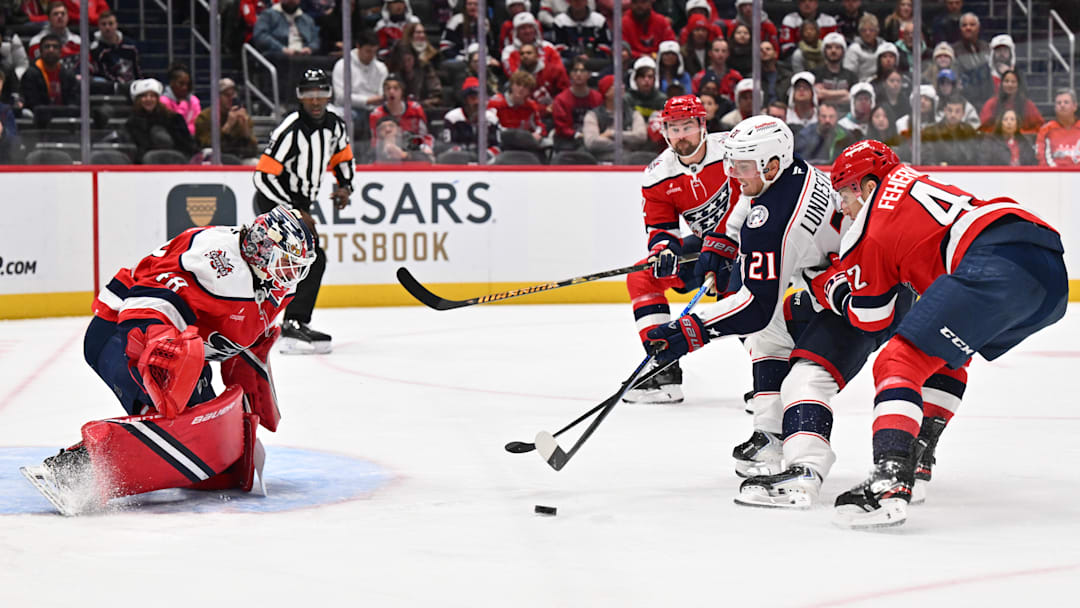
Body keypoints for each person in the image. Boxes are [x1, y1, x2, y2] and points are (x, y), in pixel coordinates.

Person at [828, 139, 1066, 528]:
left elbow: (871, 318)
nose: (844, 208)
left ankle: (889, 479)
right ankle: (917, 458)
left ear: (867, 186)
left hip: (996, 259)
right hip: (1046, 267)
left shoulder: (870, 225)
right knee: (946, 354)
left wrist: (835, 290)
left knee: (896, 360)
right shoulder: (911, 182)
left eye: (845, 194)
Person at [24, 206, 316, 515]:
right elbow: (150, 297)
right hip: (125, 334)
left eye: (295, 265)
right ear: (262, 248)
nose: (291, 273)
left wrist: (251, 398)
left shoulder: (275, 282)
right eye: (286, 261)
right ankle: (74, 470)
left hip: (184, 347)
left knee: (214, 456)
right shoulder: (213, 261)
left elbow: (246, 338)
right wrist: (160, 345)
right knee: (186, 432)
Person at [643, 115, 850, 479]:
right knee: (768, 333)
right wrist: (722, 240)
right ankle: (769, 435)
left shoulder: (774, 225)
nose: (733, 174)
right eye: (731, 163)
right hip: (830, 277)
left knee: (787, 352)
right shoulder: (790, 170)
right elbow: (745, 195)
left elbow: (754, 306)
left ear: (771, 164)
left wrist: (690, 330)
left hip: (852, 295)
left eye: (741, 166)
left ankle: (803, 460)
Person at [623, 95, 742, 403]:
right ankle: (663, 369)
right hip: (708, 246)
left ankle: (774, 379)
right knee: (642, 277)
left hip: (753, 239)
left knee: (739, 294)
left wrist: (724, 246)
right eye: (673, 129)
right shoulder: (658, 174)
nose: (680, 136)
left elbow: (750, 200)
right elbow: (661, 226)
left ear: (703, 125)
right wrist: (663, 250)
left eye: (687, 126)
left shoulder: (733, 150)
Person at [253, 69, 355, 354]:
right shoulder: (291, 128)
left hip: (300, 206)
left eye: (321, 93)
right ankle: (292, 326)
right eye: (308, 94)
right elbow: (263, 177)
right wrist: (294, 210)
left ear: (329, 95)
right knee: (312, 259)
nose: (315, 100)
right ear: (299, 96)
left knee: (297, 262)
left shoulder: (335, 125)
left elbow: (343, 158)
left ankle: (277, 324)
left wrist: (345, 186)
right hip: (276, 203)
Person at [125, 78, 197, 162]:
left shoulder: (174, 119)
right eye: (144, 96)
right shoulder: (132, 123)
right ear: (138, 100)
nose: (149, 99)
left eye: (152, 96)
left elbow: (188, 146)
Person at [368, 72, 433, 158]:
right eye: (388, 88)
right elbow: (374, 141)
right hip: (386, 151)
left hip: (413, 148)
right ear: (384, 92)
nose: (391, 91)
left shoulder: (415, 109)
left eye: (396, 88)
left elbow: (424, 136)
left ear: (402, 91)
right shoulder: (376, 114)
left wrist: (424, 148)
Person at [583, 74, 647, 160]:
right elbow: (591, 141)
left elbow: (641, 136)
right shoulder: (592, 115)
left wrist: (612, 134)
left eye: (622, 84)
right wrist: (625, 142)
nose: (622, 87)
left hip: (629, 161)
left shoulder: (633, 114)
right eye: (616, 85)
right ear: (606, 92)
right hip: (599, 162)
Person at [332, 29, 387, 130]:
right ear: (358, 47)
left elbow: (382, 96)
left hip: (374, 110)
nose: (371, 55)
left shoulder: (381, 68)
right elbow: (341, 97)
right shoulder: (342, 65)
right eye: (368, 51)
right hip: (348, 110)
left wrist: (373, 102)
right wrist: (367, 100)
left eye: (374, 52)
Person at [194, 78, 259, 161]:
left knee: (254, 162)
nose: (231, 98)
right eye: (227, 95)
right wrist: (227, 126)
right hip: (213, 161)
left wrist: (245, 130)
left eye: (233, 95)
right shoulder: (204, 117)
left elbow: (253, 151)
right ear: (217, 97)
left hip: (237, 157)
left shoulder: (241, 116)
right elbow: (206, 146)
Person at [20, 33, 78, 112]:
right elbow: (32, 103)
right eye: (47, 47)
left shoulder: (68, 74)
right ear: (40, 51)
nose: (51, 50)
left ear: (61, 52)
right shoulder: (31, 74)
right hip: (39, 118)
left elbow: (73, 100)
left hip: (64, 116)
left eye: (55, 47)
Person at [552, 59, 602, 150]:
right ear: (570, 74)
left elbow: (602, 119)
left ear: (589, 74)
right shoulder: (561, 99)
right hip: (568, 140)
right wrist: (576, 134)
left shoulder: (597, 97)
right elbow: (561, 127)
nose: (578, 74)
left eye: (582, 71)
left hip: (593, 137)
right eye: (575, 71)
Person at [440, 77, 497, 157]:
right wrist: (465, 155)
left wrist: (486, 155)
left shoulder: (491, 119)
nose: (477, 102)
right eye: (473, 98)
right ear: (465, 100)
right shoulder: (452, 118)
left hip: (485, 164)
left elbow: (497, 147)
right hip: (460, 162)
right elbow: (447, 146)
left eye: (480, 98)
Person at [89, 10, 142, 91]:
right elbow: (102, 73)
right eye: (104, 24)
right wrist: (119, 85)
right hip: (110, 86)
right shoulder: (96, 49)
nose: (107, 27)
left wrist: (140, 83)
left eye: (110, 24)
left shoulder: (131, 46)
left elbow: (137, 69)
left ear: (116, 25)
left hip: (132, 83)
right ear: (99, 26)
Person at [978, 70, 1042, 134]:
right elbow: (983, 128)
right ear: (1001, 84)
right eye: (1006, 81)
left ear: (1018, 85)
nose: (1010, 84)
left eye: (1013, 82)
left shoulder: (1027, 104)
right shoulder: (991, 104)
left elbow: (1040, 128)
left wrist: (1020, 134)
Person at [951, 13, 993, 107]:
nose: (968, 28)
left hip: (986, 99)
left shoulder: (986, 48)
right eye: (964, 25)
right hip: (965, 101)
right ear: (960, 29)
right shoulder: (954, 50)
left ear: (978, 28)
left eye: (972, 25)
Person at [552, 0, 612, 64]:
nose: (578, 2)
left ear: (587, 1)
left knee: (607, 63)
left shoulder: (599, 20)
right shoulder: (560, 21)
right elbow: (559, 47)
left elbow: (605, 46)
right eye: (575, 1)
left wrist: (590, 57)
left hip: (594, 60)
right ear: (569, 2)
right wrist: (575, 56)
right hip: (569, 60)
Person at [28, 2, 82, 72]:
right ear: (49, 18)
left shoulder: (78, 41)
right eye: (55, 14)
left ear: (68, 17)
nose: (60, 16)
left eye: (63, 13)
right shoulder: (36, 42)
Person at [1036, 88, 1080, 167]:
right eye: (1059, 103)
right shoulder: (1046, 130)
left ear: (1075, 106)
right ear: (1055, 107)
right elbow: (1041, 158)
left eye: (1066, 102)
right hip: (1053, 175)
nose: (1062, 105)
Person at [813, 32, 856, 107]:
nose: (833, 51)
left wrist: (825, 94)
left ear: (843, 51)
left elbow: (853, 98)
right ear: (824, 51)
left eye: (837, 47)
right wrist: (844, 93)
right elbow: (815, 97)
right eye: (829, 47)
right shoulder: (815, 73)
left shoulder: (851, 76)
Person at [159, 63, 201, 136]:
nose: (185, 87)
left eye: (187, 84)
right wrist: (183, 106)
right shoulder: (163, 101)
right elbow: (175, 125)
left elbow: (197, 123)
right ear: (172, 83)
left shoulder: (193, 100)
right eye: (181, 84)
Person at [843, 13, 882, 82]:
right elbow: (849, 73)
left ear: (877, 32)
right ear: (860, 32)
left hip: (881, 84)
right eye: (864, 30)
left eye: (871, 30)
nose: (868, 33)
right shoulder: (854, 49)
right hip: (861, 84)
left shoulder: (883, 47)